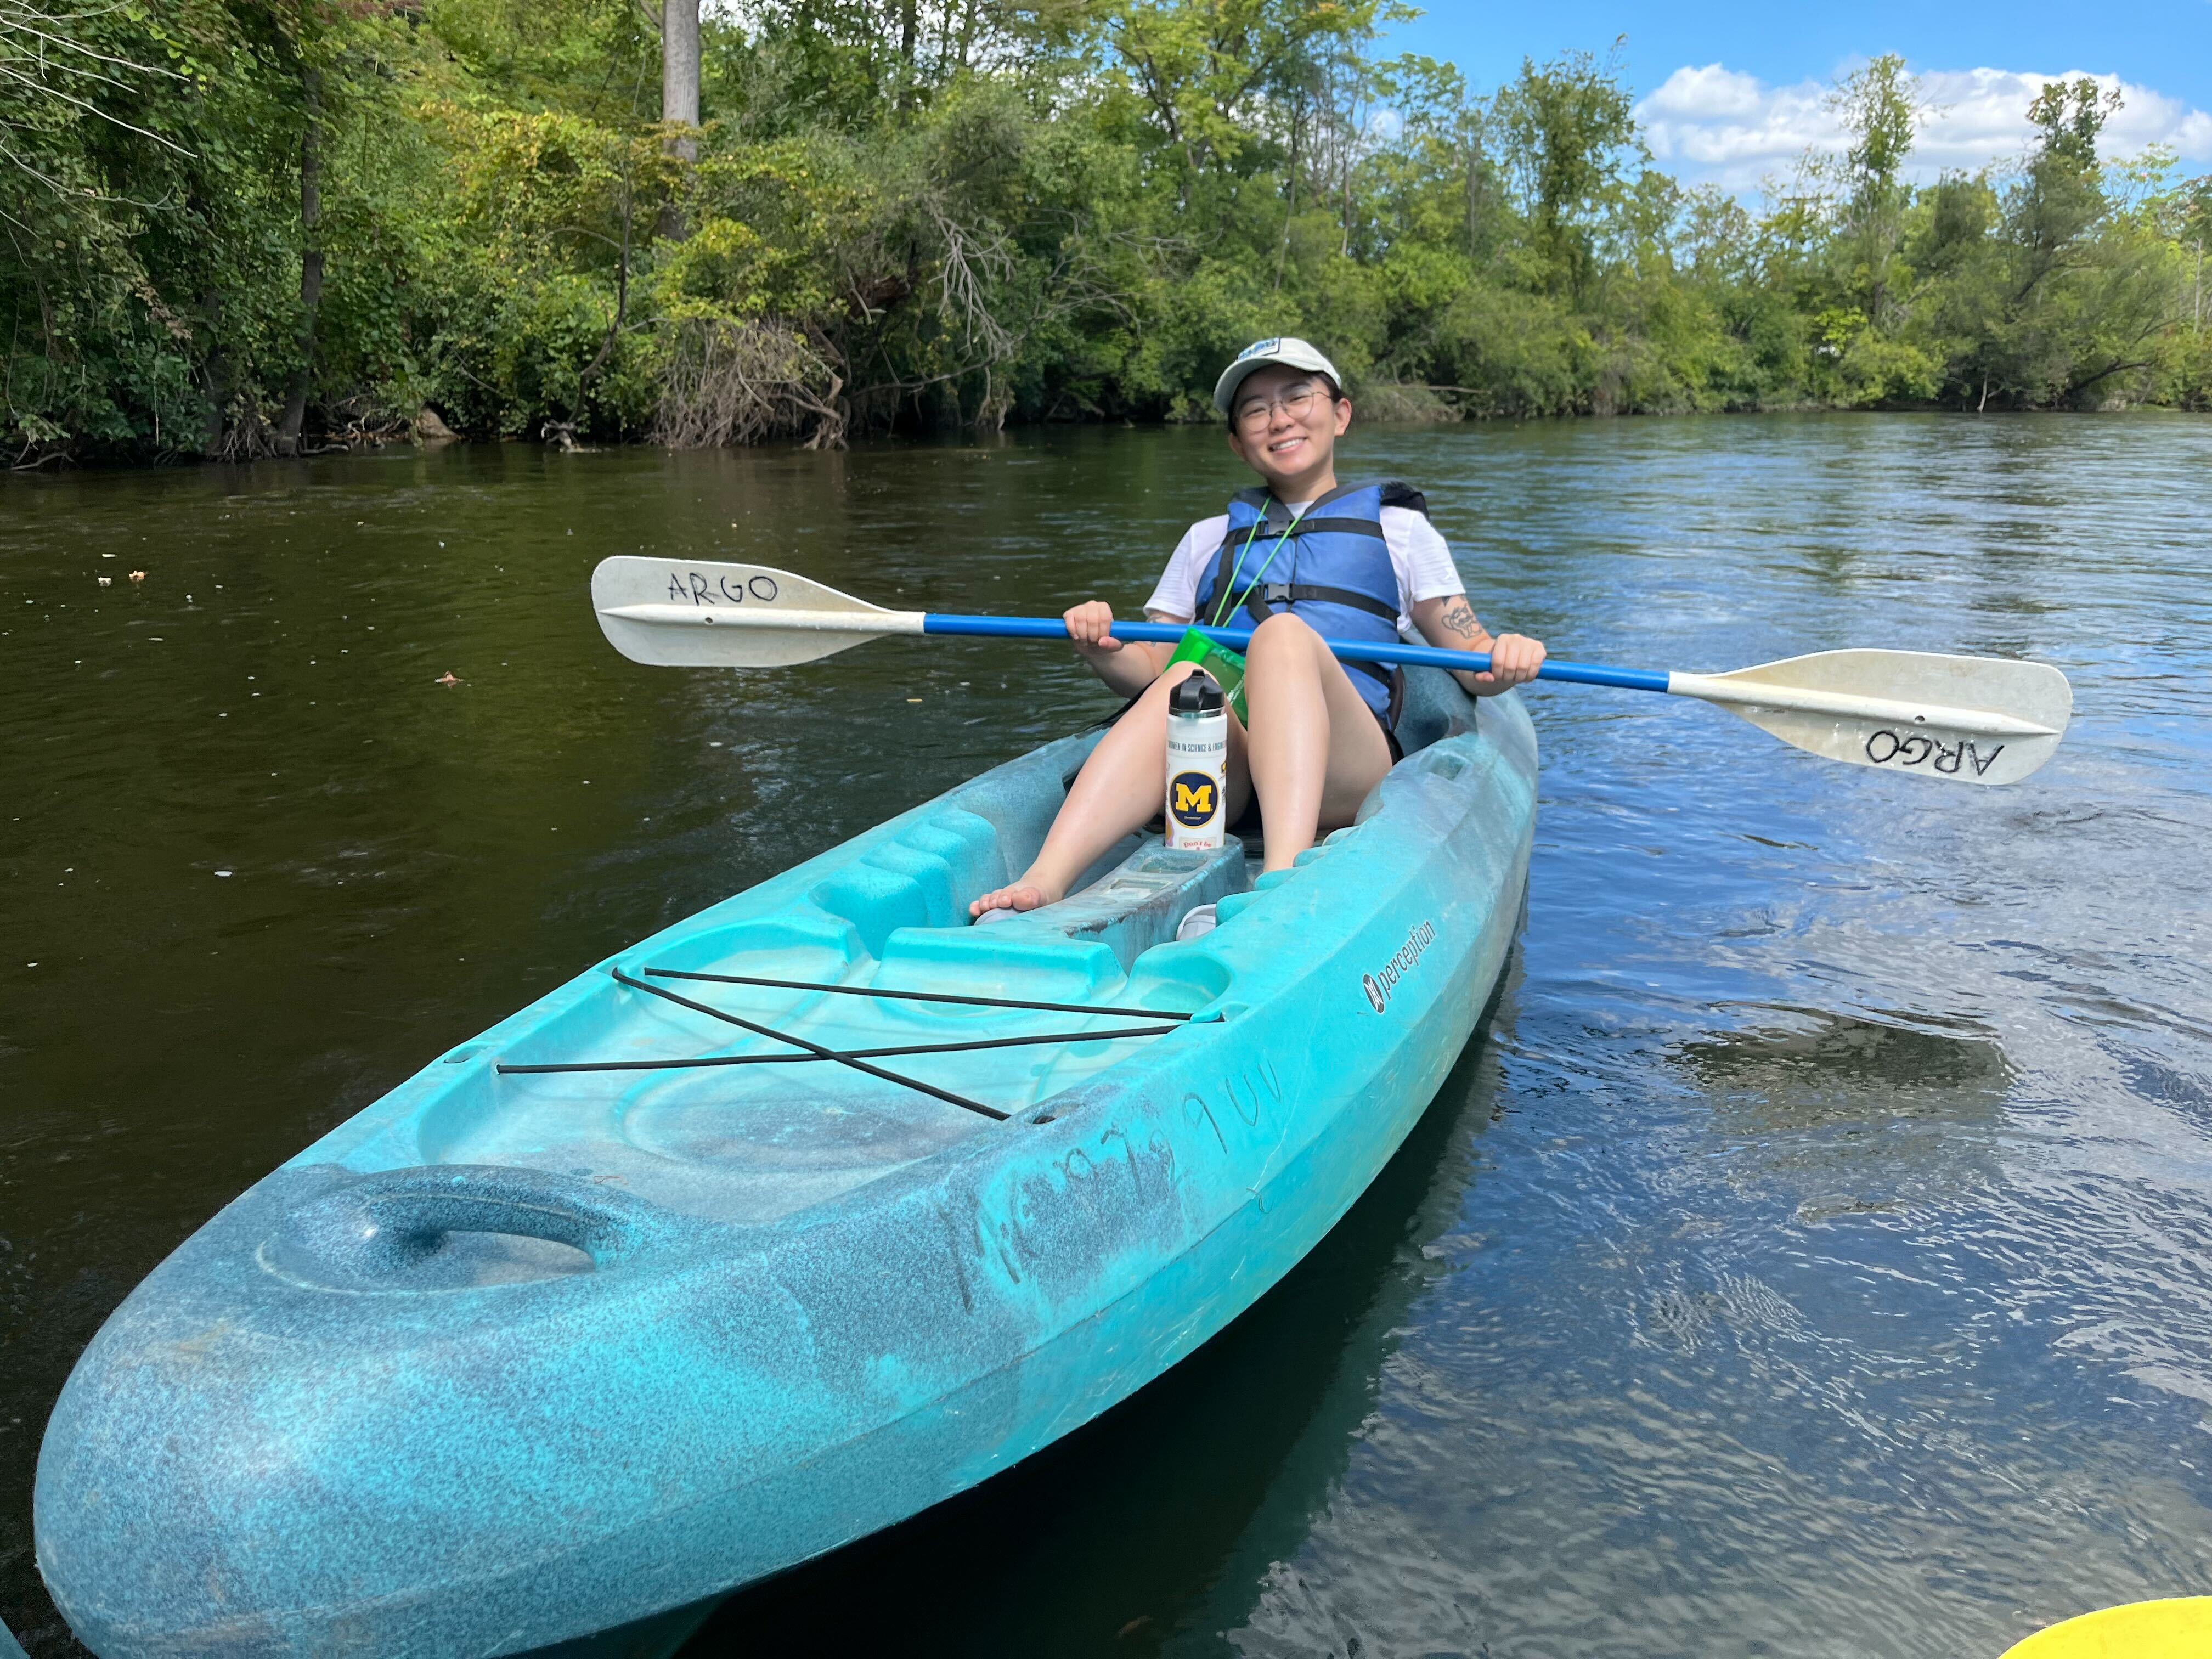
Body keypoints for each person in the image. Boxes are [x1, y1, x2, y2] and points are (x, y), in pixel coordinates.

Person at [969, 336, 1546, 922]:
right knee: (1187, 680)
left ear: (1340, 414)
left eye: (1298, 396)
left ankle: (1282, 875)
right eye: (1255, 410)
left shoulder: (1400, 531)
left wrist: (1507, 658)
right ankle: (1047, 877)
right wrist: (1100, 647)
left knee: (1283, 637)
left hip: (1345, 765)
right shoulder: (1205, 539)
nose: (1280, 420)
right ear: (1237, 443)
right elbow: (1147, 669)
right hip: (1229, 768)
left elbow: (1470, 653)